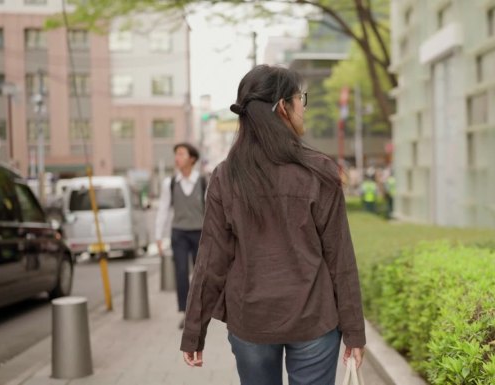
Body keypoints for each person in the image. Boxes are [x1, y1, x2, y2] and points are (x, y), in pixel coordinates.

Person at [180, 65, 366, 385]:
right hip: (315, 320)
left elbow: (211, 260)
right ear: (283, 107)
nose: (302, 108)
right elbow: (340, 258)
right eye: (300, 99)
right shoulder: (319, 170)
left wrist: (194, 333)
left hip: (250, 320)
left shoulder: (226, 176)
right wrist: (354, 332)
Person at [154, 142, 206, 329]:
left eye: (181, 154)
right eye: (176, 154)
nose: (177, 157)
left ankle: (200, 311)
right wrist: (158, 237)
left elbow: (211, 211)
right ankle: (186, 312)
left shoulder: (202, 182)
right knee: (181, 272)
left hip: (200, 233)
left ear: (192, 159)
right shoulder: (170, 183)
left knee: (200, 274)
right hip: (179, 234)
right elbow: (163, 210)